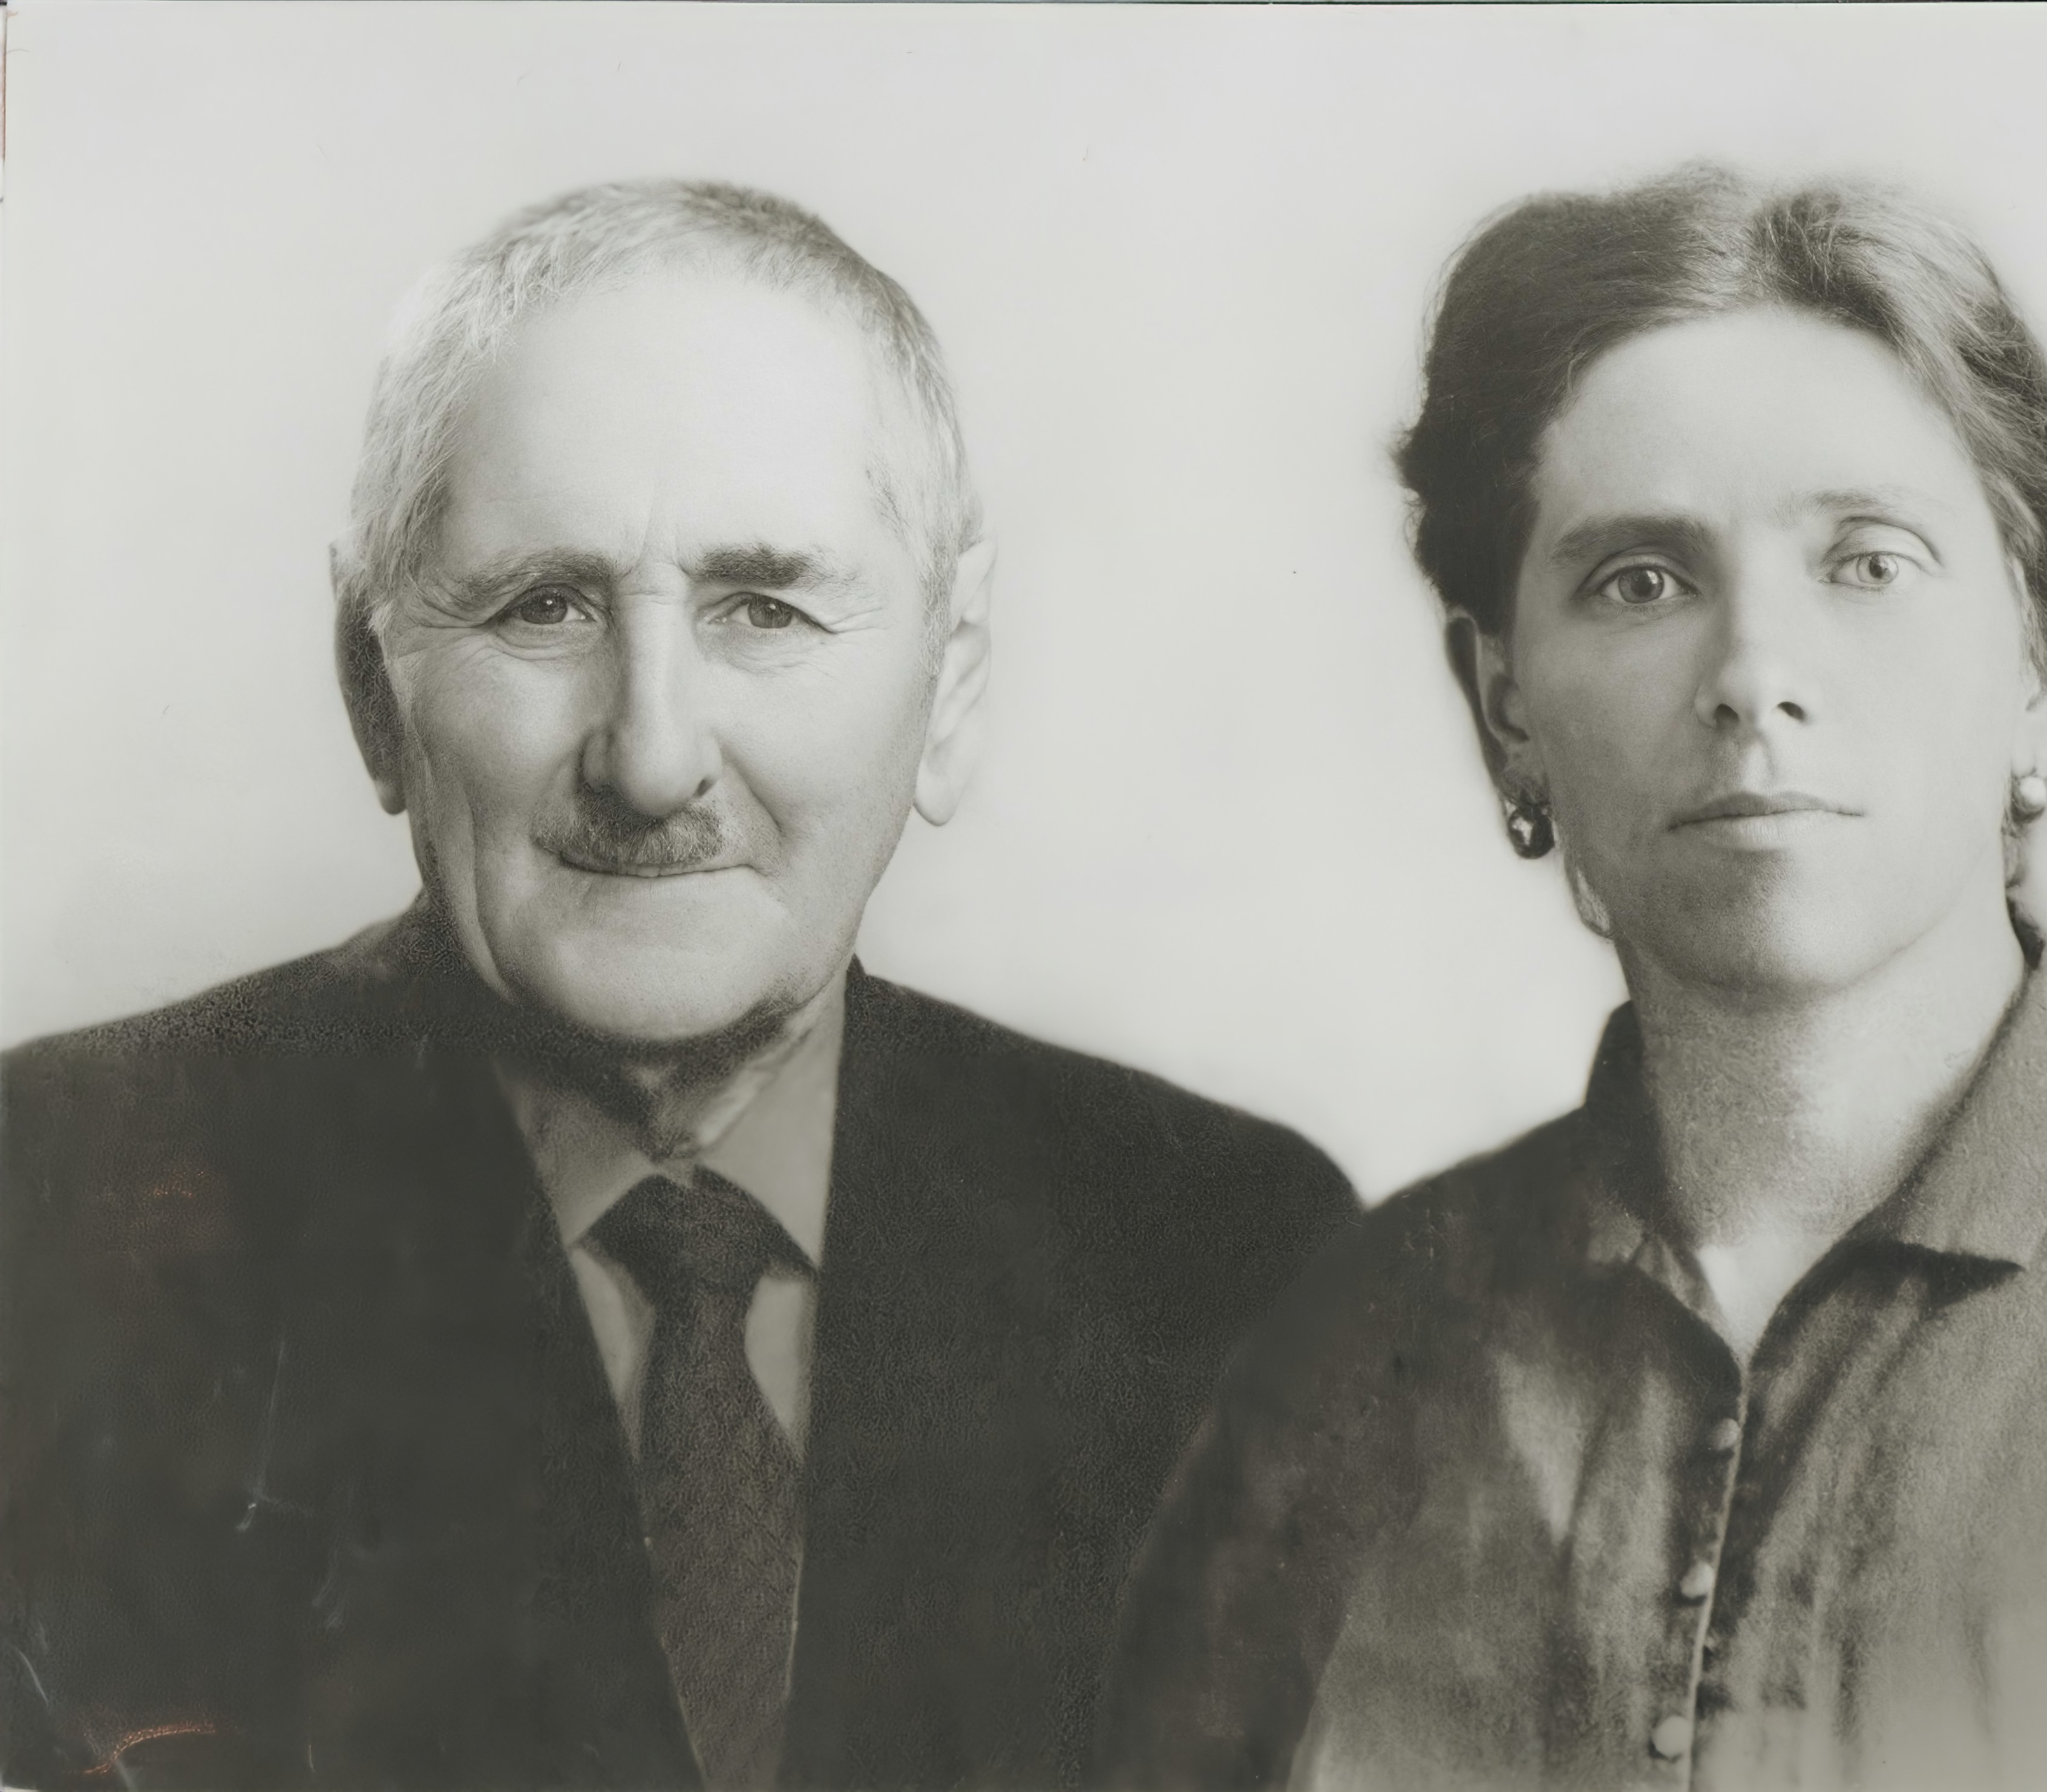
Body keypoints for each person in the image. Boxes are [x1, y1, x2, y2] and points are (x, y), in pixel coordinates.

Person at [1097, 165, 2047, 1790]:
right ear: (1506, 709)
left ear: (2044, 669)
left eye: (1868, 563)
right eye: (1641, 581)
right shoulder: (1354, 1346)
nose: (1754, 675)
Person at [0, 179, 1357, 1790]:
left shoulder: (1226, 1257)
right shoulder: (52, 1211)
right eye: (543, 608)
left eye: (763, 608)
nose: (651, 760)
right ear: (371, 684)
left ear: (952, 682)